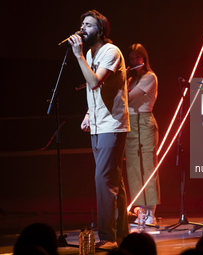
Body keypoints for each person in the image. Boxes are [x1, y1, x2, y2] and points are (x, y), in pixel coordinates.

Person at [68, 10, 130, 248]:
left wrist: (78, 55)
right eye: (81, 23)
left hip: (111, 125)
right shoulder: (92, 53)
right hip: (98, 124)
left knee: (103, 180)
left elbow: (95, 82)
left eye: (89, 25)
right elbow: (96, 92)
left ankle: (107, 236)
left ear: (101, 30)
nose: (83, 28)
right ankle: (121, 232)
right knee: (114, 180)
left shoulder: (110, 52)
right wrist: (87, 114)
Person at [125, 43, 160, 224]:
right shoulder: (131, 80)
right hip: (130, 123)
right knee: (133, 167)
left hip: (145, 123)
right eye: (131, 59)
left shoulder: (150, 77)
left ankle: (150, 213)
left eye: (137, 58)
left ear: (144, 59)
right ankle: (139, 210)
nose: (134, 62)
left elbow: (128, 96)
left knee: (147, 167)